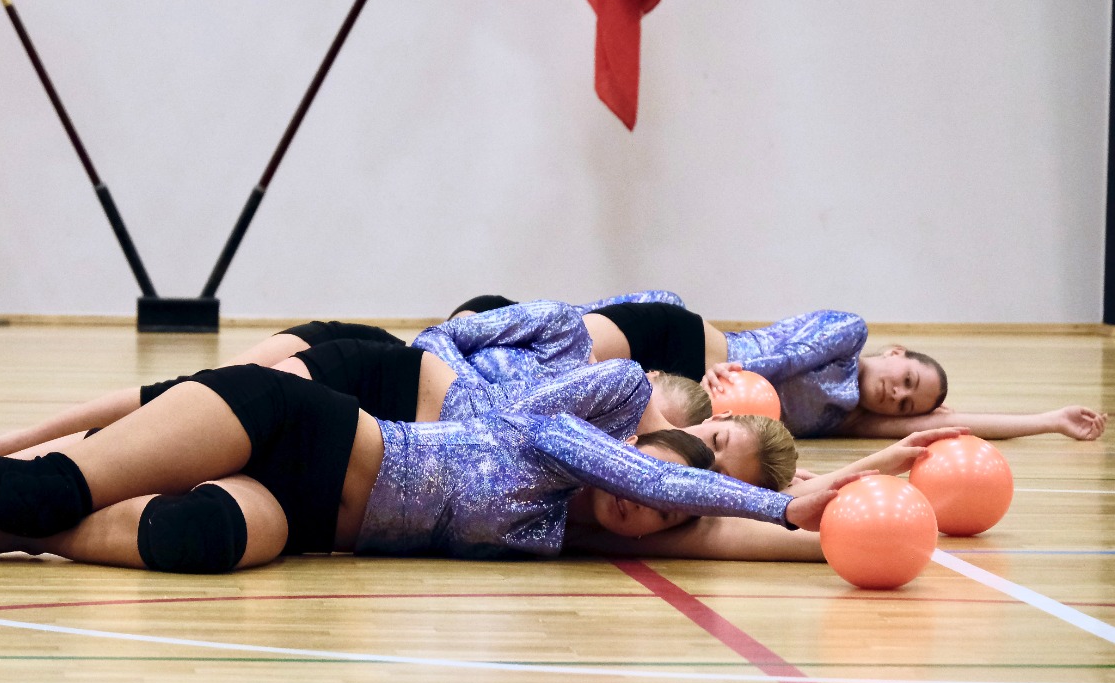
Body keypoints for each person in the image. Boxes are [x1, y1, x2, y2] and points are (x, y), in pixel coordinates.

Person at [0, 361, 844, 573]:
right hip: (288, 425)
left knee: (203, 544)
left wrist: (829, 514)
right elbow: (678, 492)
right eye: (642, 484)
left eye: (653, 517)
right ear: (631, 454)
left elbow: (719, 536)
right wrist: (778, 497)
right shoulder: (560, 433)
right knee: (55, 479)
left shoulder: (577, 530)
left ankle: (13, 537)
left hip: (305, 520)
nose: (636, 509)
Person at [0, 301, 795, 488]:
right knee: (182, 398)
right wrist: (459, 389)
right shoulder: (571, 346)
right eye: (658, 416)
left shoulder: (604, 444)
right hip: (376, 368)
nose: (642, 430)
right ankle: (10, 447)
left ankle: (31, 466)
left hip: (373, 415)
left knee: (184, 427)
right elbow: (447, 333)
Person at [448, 293, 1108, 441]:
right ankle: (468, 327)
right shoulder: (848, 333)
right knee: (553, 339)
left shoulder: (846, 418)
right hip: (687, 346)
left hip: (690, 391)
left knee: (539, 386)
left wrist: (1047, 420)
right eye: (905, 379)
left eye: (906, 401)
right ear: (896, 354)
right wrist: (727, 380)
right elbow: (777, 356)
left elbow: (944, 428)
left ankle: (465, 354)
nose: (896, 394)